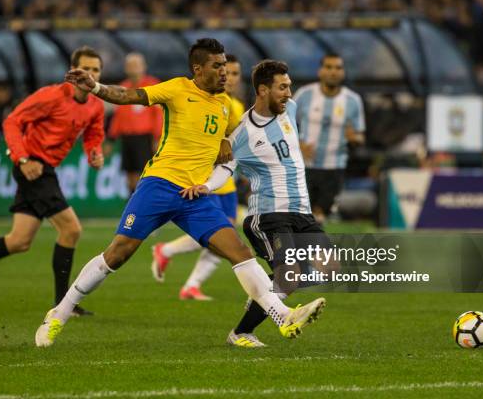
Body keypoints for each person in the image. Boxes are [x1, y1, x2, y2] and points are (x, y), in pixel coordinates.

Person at [35, 38, 325, 347]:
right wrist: (95, 87)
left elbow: (234, 137)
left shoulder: (225, 104)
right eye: (217, 66)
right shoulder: (176, 89)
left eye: (225, 66)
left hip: (194, 196)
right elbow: (127, 95)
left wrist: (227, 142)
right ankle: (59, 313)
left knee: (238, 251)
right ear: (198, 69)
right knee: (117, 255)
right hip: (159, 184)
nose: (224, 72)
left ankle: (282, 317)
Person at [0, 46, 106, 317]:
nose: (92, 74)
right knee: (71, 230)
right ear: (73, 72)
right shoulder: (51, 96)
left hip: (44, 169)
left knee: (19, 241)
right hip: (33, 168)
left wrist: (94, 152)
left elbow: (94, 133)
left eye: (96, 69)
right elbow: (12, 122)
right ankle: (63, 304)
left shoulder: (95, 104)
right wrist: (23, 160)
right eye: (87, 68)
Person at [181, 60, 329, 348]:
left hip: (301, 211)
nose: (289, 93)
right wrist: (207, 187)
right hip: (269, 215)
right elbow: (227, 167)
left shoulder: (291, 110)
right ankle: (247, 327)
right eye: (282, 87)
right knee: (290, 275)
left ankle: (261, 298)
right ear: (263, 90)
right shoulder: (242, 134)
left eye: (289, 86)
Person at [150, 53, 245, 301]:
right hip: (208, 181)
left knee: (226, 233)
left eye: (235, 73)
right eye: (227, 71)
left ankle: (190, 283)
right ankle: (168, 252)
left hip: (226, 181)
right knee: (222, 233)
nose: (230, 77)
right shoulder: (214, 102)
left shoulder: (233, 106)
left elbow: (235, 147)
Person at [293, 53, 365, 224]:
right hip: (303, 165)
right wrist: (297, 144)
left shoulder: (353, 100)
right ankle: (309, 248)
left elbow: (360, 136)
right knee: (303, 213)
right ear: (320, 71)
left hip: (334, 166)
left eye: (338, 68)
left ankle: (312, 248)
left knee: (320, 214)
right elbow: (283, 124)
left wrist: (354, 138)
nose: (333, 72)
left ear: (343, 72)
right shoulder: (304, 95)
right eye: (329, 67)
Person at [107, 52, 163, 194]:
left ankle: (144, 206)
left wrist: (157, 138)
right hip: (127, 138)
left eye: (136, 65)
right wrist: (111, 139)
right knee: (129, 176)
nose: (133, 69)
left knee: (144, 175)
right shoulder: (122, 88)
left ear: (144, 67)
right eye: (130, 65)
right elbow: (118, 117)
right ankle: (132, 206)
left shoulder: (152, 86)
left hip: (145, 138)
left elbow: (159, 114)